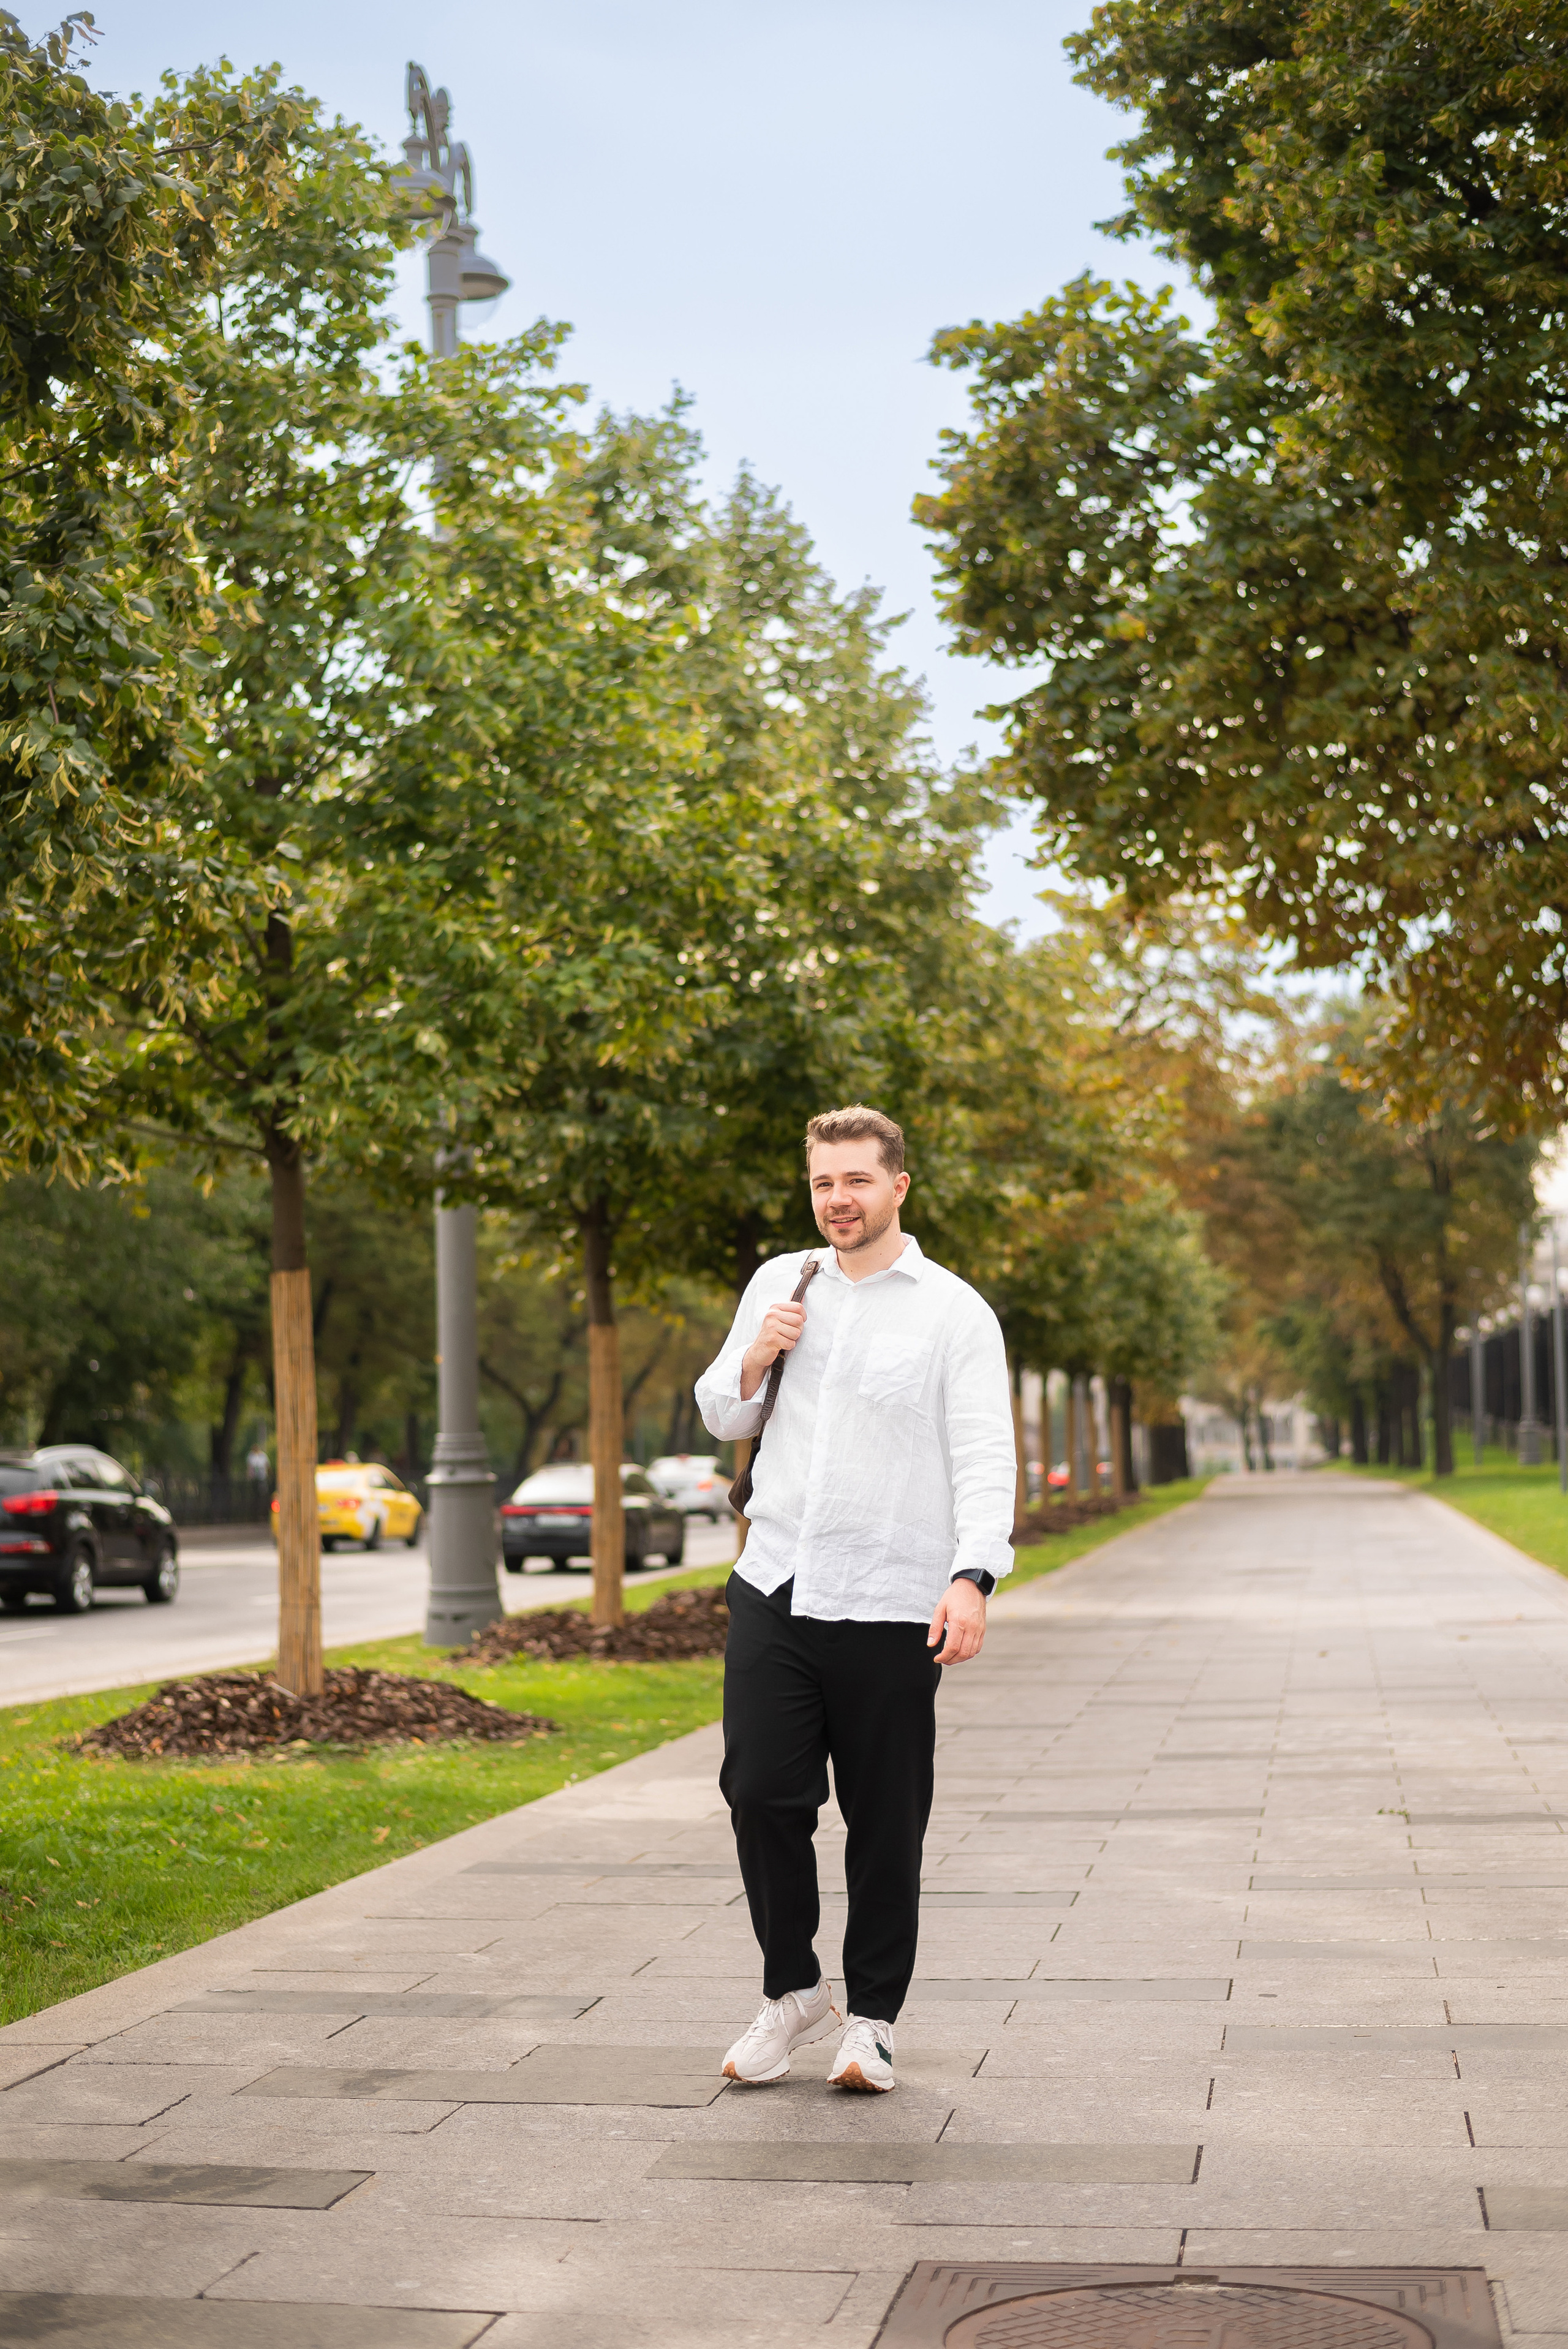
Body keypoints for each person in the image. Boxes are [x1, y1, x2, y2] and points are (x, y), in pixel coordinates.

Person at [695, 1103, 1016, 2094]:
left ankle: (871, 2020)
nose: (839, 1199)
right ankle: (791, 1989)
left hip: (891, 1596)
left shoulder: (953, 1311)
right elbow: (721, 1410)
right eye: (824, 1182)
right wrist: (754, 1353)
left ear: (899, 1187)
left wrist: (973, 1574)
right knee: (759, 1791)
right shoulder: (778, 1283)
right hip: (777, 1581)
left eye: (857, 1181)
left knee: (885, 1819)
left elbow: (983, 1454)